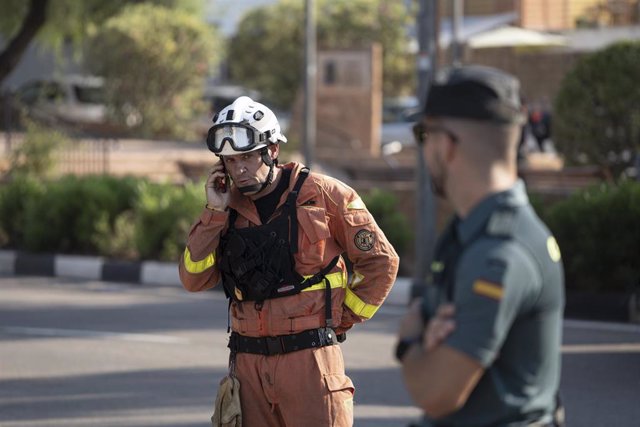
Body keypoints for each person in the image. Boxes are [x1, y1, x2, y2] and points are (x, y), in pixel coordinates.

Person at [179, 96, 399, 426]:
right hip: (247, 367)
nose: (239, 168)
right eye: (230, 159)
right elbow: (193, 278)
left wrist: (339, 319)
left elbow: (381, 262)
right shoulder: (224, 209)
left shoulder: (324, 195)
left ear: (272, 150)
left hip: (309, 363)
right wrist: (213, 212)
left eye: (249, 156)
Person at [396, 65, 565, 427]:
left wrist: (410, 339)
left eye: (423, 134)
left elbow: (435, 393)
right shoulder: (472, 229)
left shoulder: (498, 253)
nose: (422, 150)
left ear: (447, 145)